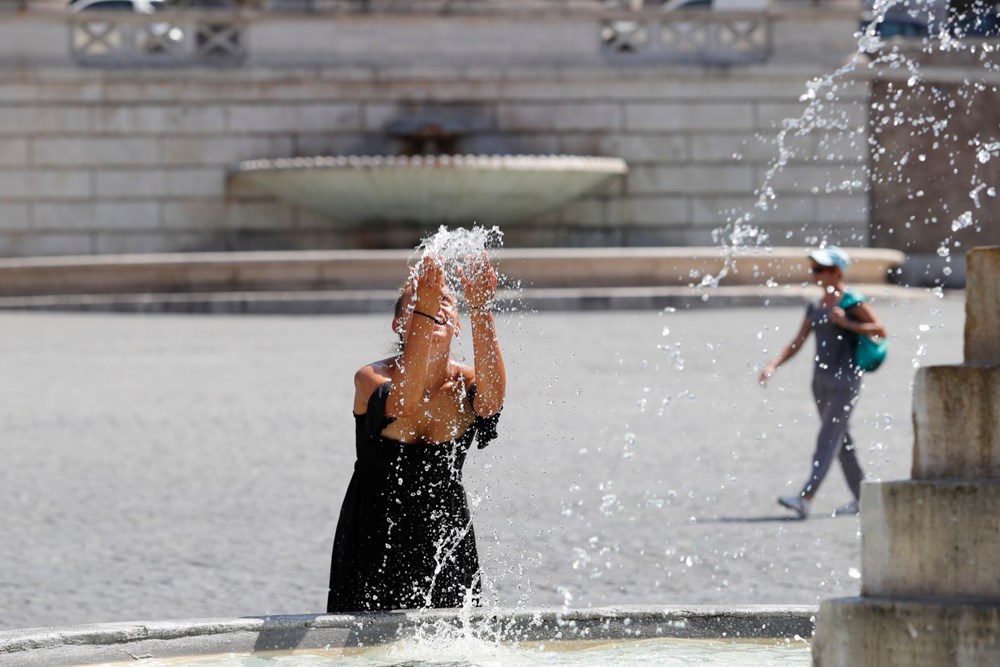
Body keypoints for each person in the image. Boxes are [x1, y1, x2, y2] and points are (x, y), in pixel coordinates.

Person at [327, 253, 506, 612]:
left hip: (446, 528)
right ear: (399, 323)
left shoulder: (465, 382)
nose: (436, 305)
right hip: (376, 529)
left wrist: (481, 307)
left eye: (445, 301)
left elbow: (491, 403)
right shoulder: (370, 377)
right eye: (421, 300)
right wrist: (424, 308)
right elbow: (402, 404)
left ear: (456, 323)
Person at [759, 246, 887, 519]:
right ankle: (863, 498)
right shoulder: (816, 306)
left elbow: (880, 330)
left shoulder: (852, 302)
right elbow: (798, 341)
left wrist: (849, 325)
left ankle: (806, 497)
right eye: (814, 269)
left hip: (846, 380)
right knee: (841, 441)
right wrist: (774, 365)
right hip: (820, 381)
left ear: (837, 272)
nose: (815, 274)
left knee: (827, 439)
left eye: (821, 269)